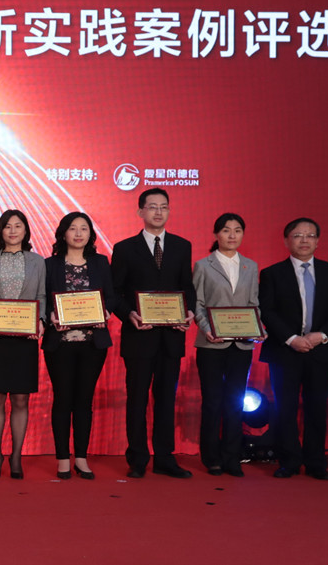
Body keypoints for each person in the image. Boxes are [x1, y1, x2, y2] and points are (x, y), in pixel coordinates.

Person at [110, 188, 195, 479]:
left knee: (166, 398)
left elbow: (187, 288)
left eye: (164, 207)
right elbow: (115, 292)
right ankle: (137, 458)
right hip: (139, 336)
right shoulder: (124, 248)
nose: (159, 212)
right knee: (137, 399)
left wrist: (189, 312)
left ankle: (165, 458)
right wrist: (129, 314)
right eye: (152, 207)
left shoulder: (182, 246)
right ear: (140, 212)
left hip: (171, 336)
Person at [258, 217, 328, 480]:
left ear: (318, 241)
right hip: (284, 350)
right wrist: (291, 338)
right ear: (287, 240)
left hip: (321, 349)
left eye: (310, 235)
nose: (304, 240)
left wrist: (321, 335)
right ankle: (288, 461)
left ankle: (316, 462)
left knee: (316, 407)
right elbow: (267, 310)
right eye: (298, 235)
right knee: (285, 407)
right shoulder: (272, 273)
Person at [43, 212, 114, 481]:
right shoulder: (50, 264)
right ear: (63, 233)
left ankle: (81, 458)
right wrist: (50, 315)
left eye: (84, 228)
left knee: (84, 400)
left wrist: (106, 312)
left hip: (92, 343)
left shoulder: (100, 263)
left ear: (90, 234)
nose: (78, 233)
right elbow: (43, 298)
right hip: (60, 343)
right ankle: (63, 458)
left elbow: (112, 296)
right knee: (62, 399)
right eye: (73, 228)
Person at [192, 213, 261, 478]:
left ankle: (232, 457)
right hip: (211, 344)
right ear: (216, 234)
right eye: (226, 230)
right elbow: (197, 304)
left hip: (242, 345)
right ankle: (212, 458)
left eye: (237, 230)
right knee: (212, 402)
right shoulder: (203, 265)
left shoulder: (250, 266)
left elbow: (253, 304)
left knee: (235, 402)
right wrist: (207, 329)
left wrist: (259, 330)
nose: (232, 235)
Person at [0, 209, 44, 480]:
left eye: (18, 226)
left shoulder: (38, 261)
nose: (13, 231)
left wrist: (40, 321)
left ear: (26, 230)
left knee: (20, 398)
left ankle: (16, 455)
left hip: (24, 338)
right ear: (0, 231)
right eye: (8, 226)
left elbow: (42, 295)